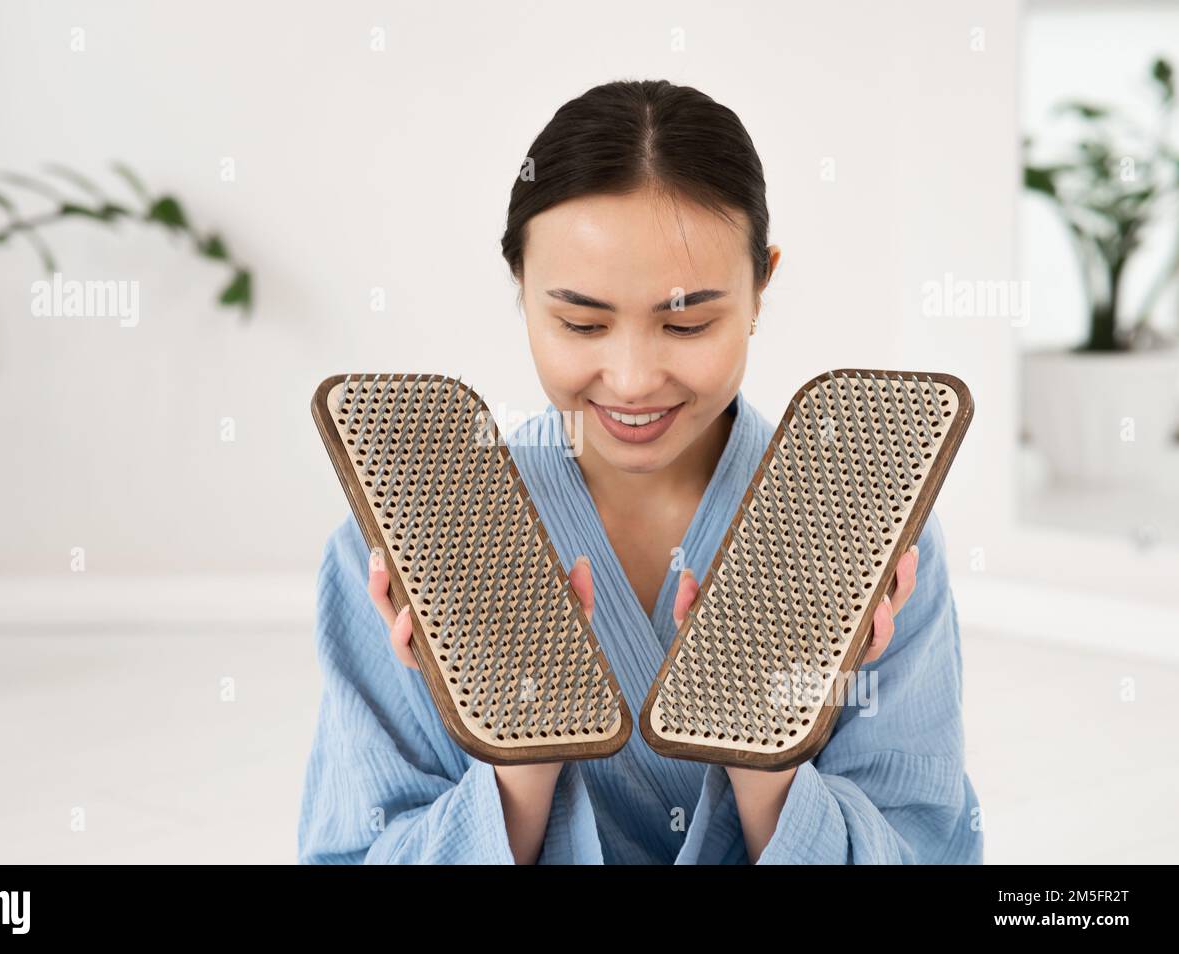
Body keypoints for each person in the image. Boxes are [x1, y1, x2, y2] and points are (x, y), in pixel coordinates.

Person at [298, 79, 984, 864]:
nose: (630, 379)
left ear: (762, 285)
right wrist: (518, 755)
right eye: (580, 322)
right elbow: (352, 850)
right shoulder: (396, 541)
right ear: (519, 286)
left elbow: (929, 846)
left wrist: (768, 753)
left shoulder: (875, 533)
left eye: (686, 322)